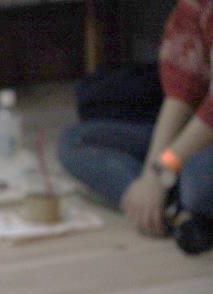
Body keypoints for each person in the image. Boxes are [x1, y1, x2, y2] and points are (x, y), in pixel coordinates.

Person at [57, 0, 213, 254]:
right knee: (75, 141)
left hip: (203, 141)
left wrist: (161, 172)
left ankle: (175, 206)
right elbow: (182, 92)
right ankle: (170, 210)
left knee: (197, 182)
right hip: (197, 136)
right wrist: (154, 174)